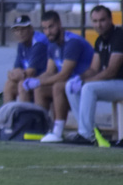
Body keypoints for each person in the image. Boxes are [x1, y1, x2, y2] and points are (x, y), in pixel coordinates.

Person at [64, 5, 123, 145]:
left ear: (110, 20)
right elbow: (94, 69)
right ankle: (90, 131)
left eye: (102, 20)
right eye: (95, 21)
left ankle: (86, 135)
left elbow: (111, 71)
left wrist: (85, 83)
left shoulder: (120, 38)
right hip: (114, 84)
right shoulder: (100, 41)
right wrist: (79, 78)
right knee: (69, 86)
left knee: (88, 88)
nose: (98, 25)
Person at [36, 11, 97, 142]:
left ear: (59, 24)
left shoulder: (72, 42)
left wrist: (39, 81)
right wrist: (35, 80)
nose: (48, 32)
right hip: (70, 83)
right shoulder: (52, 45)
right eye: (44, 28)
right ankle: (41, 128)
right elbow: (49, 71)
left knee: (57, 86)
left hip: (85, 81)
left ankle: (58, 132)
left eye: (51, 27)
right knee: (40, 89)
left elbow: (64, 75)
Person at [2, 15, 50, 105]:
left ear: (31, 29)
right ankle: (9, 116)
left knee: (22, 84)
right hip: (31, 78)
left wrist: (15, 74)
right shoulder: (21, 44)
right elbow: (16, 69)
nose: (20, 33)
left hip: (44, 78)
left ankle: (25, 117)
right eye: (17, 30)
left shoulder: (39, 43)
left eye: (23, 29)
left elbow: (29, 73)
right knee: (9, 84)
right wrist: (13, 74)